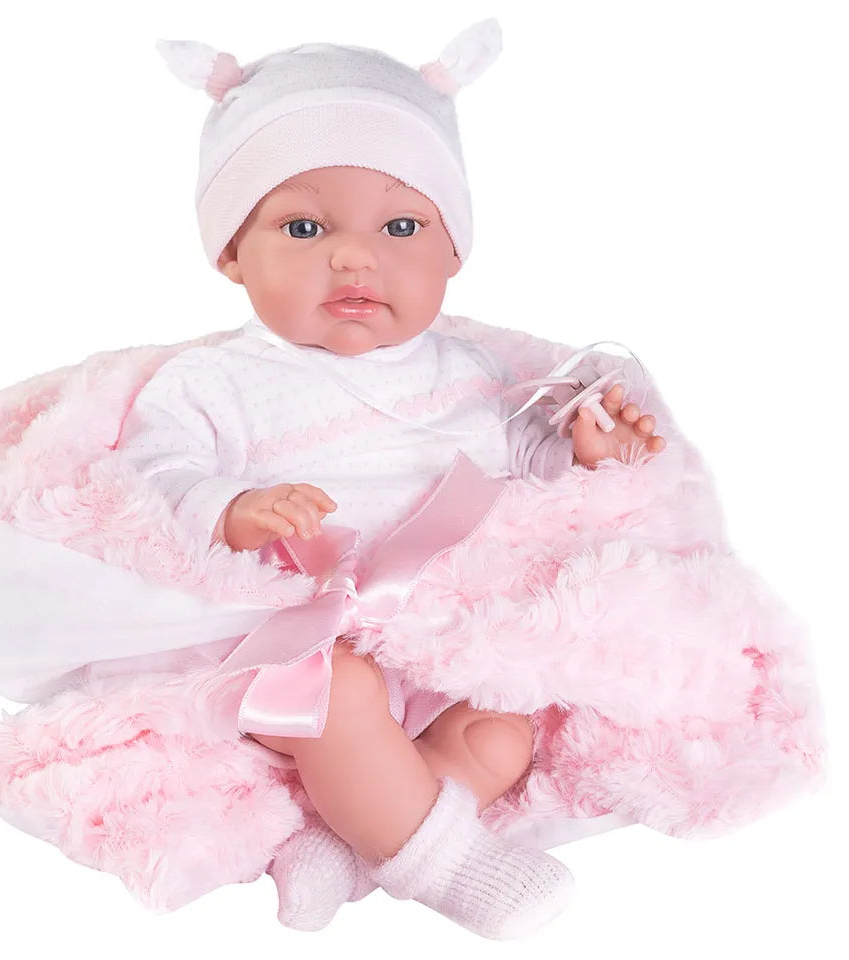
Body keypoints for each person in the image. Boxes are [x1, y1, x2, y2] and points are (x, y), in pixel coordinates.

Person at [116, 22, 665, 939]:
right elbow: (152, 474)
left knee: (500, 734)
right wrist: (235, 509)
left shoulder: (472, 373)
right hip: (299, 648)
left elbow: (515, 475)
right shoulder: (212, 381)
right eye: (303, 227)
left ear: (452, 252)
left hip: (438, 646)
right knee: (339, 692)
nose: (354, 256)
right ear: (232, 253)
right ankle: (455, 870)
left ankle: (340, 844)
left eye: (401, 226)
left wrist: (583, 455)